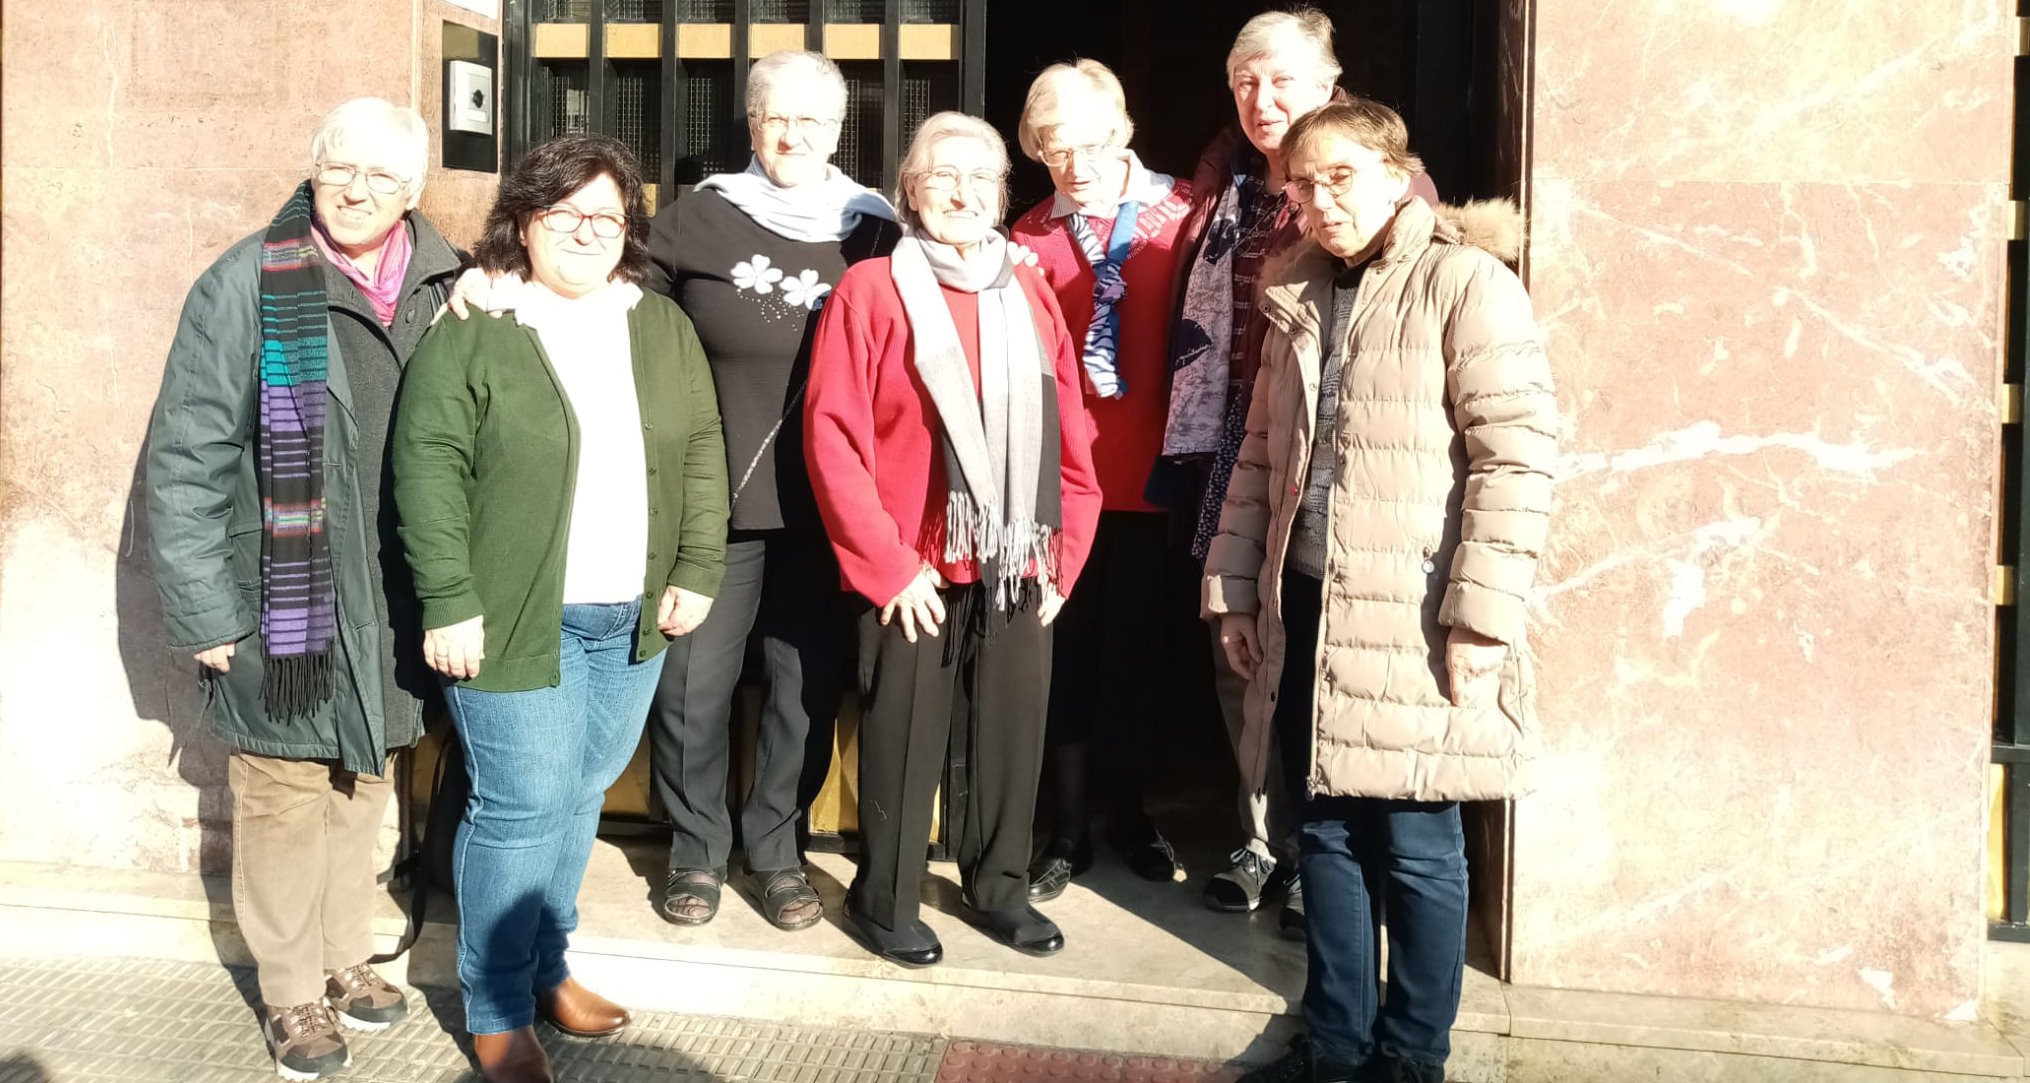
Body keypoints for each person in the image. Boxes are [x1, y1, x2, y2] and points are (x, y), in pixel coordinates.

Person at [445, 51, 897, 932]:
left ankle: (774, 851)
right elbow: (591, 289)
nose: (794, 134)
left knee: (802, 690)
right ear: (753, 125)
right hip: (707, 505)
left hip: (827, 507)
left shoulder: (874, 228)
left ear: (839, 131)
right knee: (692, 686)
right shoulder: (700, 219)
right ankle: (695, 850)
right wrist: (493, 274)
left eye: (813, 120)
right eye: (777, 117)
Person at [1208, 99, 1556, 1083]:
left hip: (1413, 616)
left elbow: (1515, 459)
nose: (1318, 203)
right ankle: (1333, 1042)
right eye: (1300, 186)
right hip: (1307, 600)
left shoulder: (1465, 285)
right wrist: (1236, 588)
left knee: (1414, 842)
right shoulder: (1296, 293)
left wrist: (1480, 617)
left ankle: (1408, 1058)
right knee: (1320, 831)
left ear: (1398, 173)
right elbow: (1260, 458)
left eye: (1339, 178)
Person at [392, 134, 728, 1083]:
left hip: (629, 616)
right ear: (523, 221)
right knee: (522, 801)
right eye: (563, 213)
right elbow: (427, 466)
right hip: (508, 616)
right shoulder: (479, 321)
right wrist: (449, 599)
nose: (586, 231)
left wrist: (697, 564)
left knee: (579, 792)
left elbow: (702, 446)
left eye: (606, 215)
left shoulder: (657, 324)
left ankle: (547, 963)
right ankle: (496, 1009)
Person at [144, 97, 458, 1082]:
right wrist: (204, 611)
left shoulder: (445, 284)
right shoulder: (248, 282)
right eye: (339, 171)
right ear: (313, 171)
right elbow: (185, 460)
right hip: (283, 582)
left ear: (415, 191)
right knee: (282, 788)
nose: (357, 191)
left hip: (392, 583)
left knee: (362, 778)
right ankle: (289, 992)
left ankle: (343, 957)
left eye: (382, 177)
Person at [1157, 6, 1439, 931]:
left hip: (1336, 465)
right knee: (1240, 653)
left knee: (1323, 667)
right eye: (1245, 81)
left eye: (1282, 79)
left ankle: (1322, 865)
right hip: (1236, 448)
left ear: (1330, 83)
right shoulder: (1227, 183)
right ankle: (1259, 836)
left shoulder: (1380, 190)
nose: (1261, 98)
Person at [804, 112, 1101, 967]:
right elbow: (834, 434)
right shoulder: (870, 290)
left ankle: (1000, 884)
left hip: (1020, 554)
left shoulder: (1031, 287)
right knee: (904, 728)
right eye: (941, 175)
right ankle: (885, 896)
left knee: (1012, 728)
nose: (962, 191)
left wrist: (1065, 550)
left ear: (1005, 194)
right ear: (910, 190)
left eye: (981, 176)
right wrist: (888, 565)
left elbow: (1070, 427)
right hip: (912, 561)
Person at [1005, 60, 1195, 902]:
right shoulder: (1028, 233)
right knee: (1067, 654)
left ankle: (1134, 811)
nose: (1073, 165)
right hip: (1064, 481)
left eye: (1086, 143)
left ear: (1122, 127)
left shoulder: (1184, 214)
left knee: (1144, 654)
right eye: (1052, 149)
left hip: (1159, 474)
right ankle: (1069, 824)